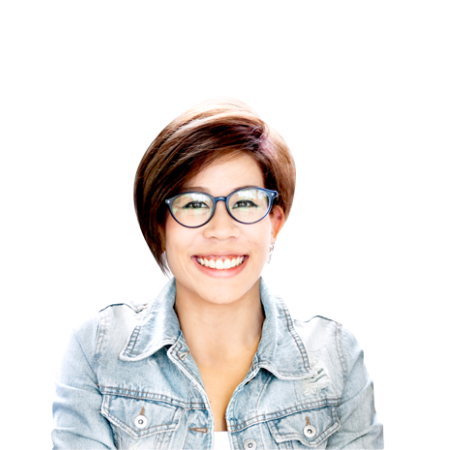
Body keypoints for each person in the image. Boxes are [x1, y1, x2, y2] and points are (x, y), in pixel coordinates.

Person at [51, 98, 383, 449]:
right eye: (194, 204)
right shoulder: (98, 350)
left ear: (274, 223)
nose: (221, 230)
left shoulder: (335, 357)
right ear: (160, 225)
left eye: (245, 202)